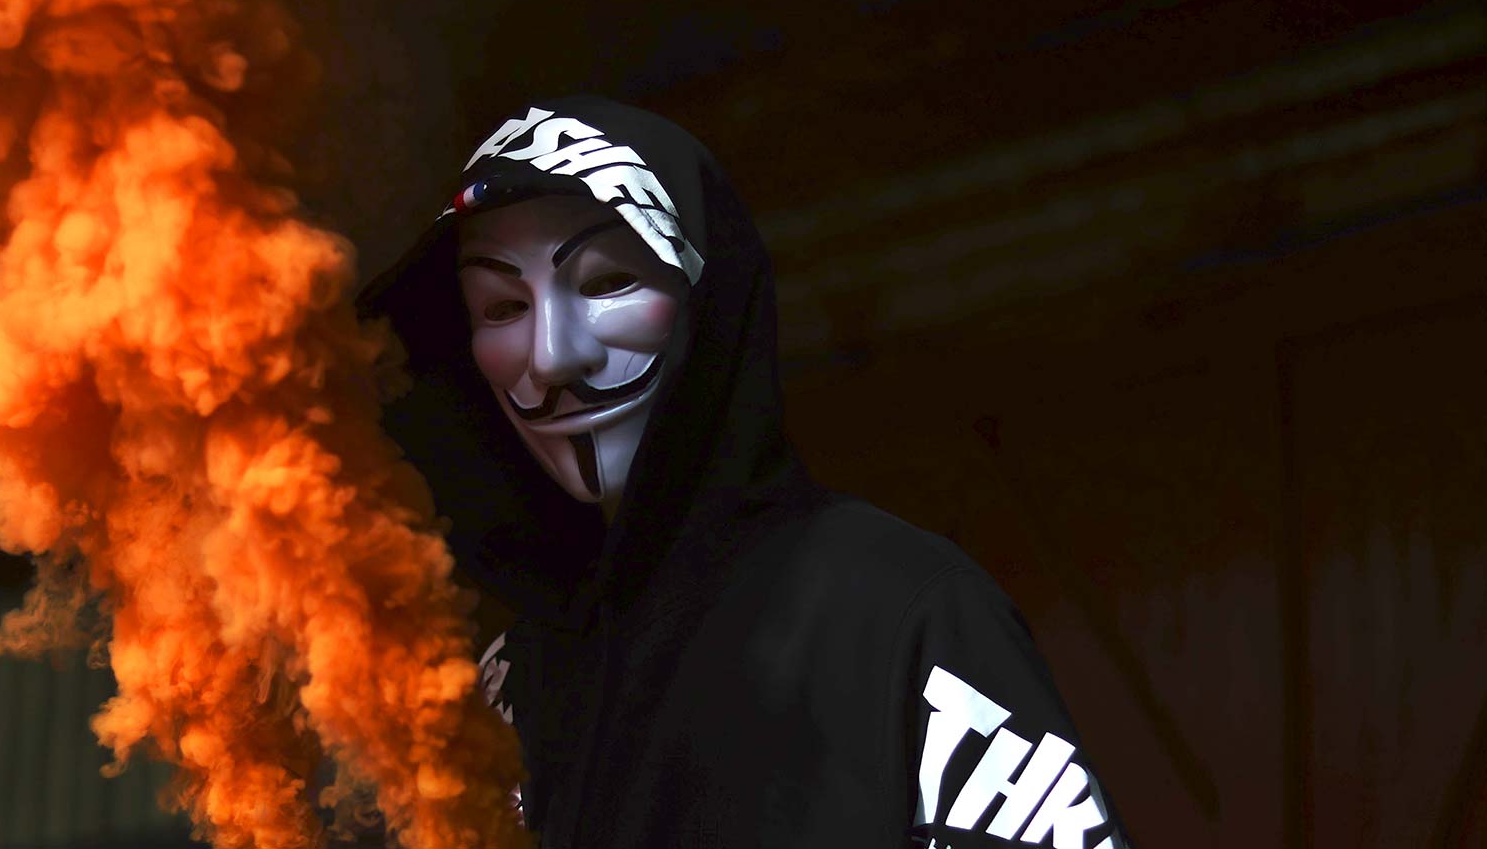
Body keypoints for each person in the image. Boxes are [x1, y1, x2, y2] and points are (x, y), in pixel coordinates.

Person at [357, 95, 1132, 849]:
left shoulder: (898, 614)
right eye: (501, 307)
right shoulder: (504, 688)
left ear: (711, 299)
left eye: (606, 282)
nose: (553, 356)